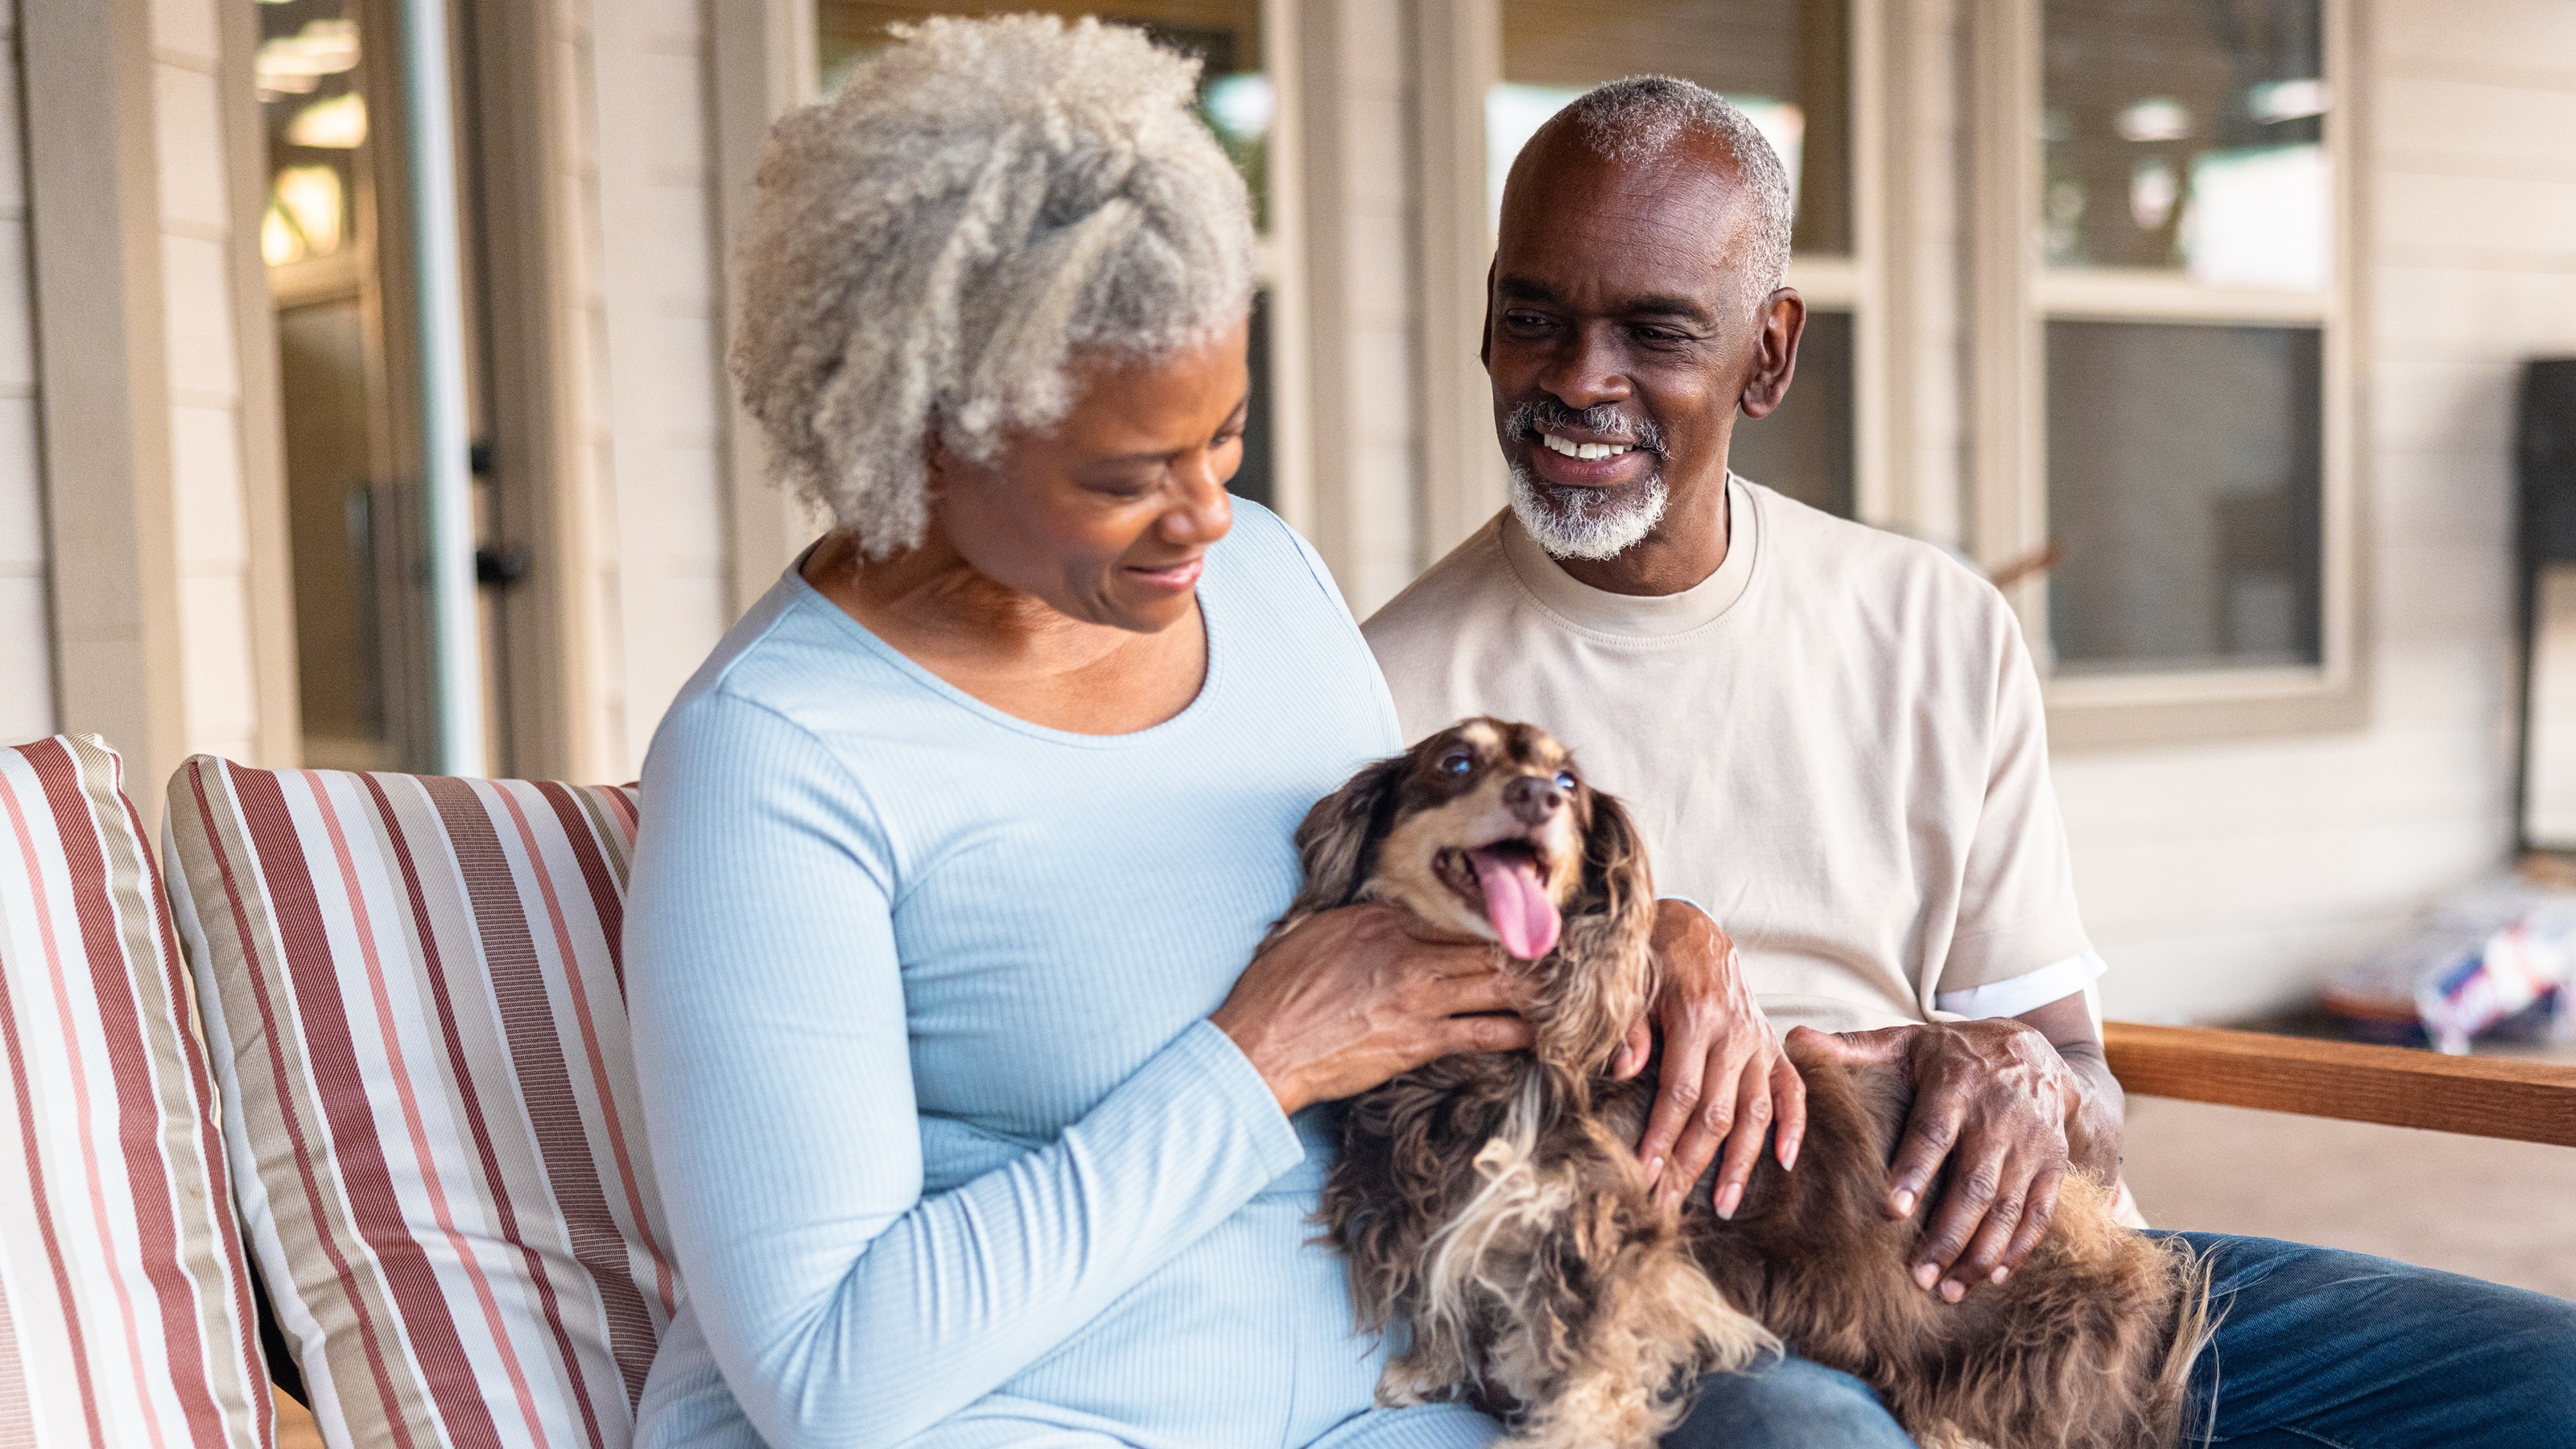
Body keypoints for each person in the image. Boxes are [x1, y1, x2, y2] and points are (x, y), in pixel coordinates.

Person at [1362, 76, 2576, 1448]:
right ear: (1485, 323)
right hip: (1693, 1305)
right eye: (1536, 317)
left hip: (2019, 1298)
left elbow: (2085, 1084)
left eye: (1653, 330)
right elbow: (1402, 1134)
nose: (1580, 380)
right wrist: (1642, 940)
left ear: (1768, 355)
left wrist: (2033, 1086)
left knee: (2546, 1379)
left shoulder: (1931, 625)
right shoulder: (1393, 713)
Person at [624, 23, 1788, 1449]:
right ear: (921, 432)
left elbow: (1424, 952)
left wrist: (1647, 933)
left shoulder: (1266, 584)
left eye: (1223, 440)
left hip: (1387, 1401)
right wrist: (1256, 1059)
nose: (1206, 519)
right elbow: (827, 1380)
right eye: (1126, 478)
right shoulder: (778, 756)